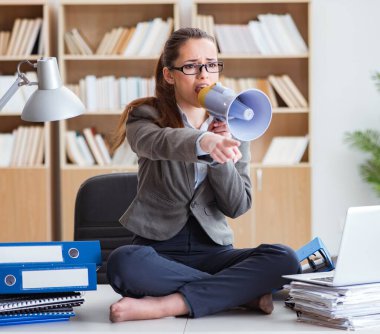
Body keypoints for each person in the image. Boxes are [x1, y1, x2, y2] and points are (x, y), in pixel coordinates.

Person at [107, 27, 300, 322]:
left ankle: (169, 304)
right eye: (191, 66)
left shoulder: (235, 124)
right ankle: (239, 293)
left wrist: (218, 157)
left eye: (211, 64)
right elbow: (156, 143)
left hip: (214, 251)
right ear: (169, 74)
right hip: (157, 252)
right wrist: (202, 142)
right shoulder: (146, 115)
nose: (204, 76)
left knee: (285, 259)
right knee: (123, 263)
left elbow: (237, 206)